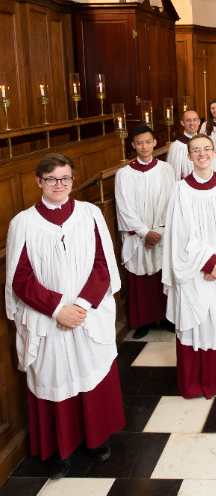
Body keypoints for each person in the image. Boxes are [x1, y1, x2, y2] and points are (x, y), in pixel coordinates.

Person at [5, 153, 125, 479]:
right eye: (51, 179)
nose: (59, 185)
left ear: (72, 180)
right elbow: (21, 278)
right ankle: (62, 450)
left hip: (87, 313)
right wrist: (59, 309)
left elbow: (103, 264)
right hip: (48, 319)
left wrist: (81, 306)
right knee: (55, 378)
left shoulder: (90, 214)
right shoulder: (24, 223)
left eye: (65, 179)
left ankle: (97, 439)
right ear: (39, 182)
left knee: (90, 371)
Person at [163, 133, 216, 399]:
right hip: (195, 271)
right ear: (188, 156)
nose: (202, 153)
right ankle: (197, 380)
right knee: (198, 319)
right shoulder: (180, 190)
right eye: (196, 150)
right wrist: (207, 262)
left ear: (214, 153)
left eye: (206, 148)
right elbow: (178, 235)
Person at [115, 124, 175, 338]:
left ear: (154, 143)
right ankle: (144, 321)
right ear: (133, 145)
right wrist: (144, 232)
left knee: (163, 274)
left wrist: (157, 232)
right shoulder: (123, 174)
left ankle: (168, 317)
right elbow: (124, 207)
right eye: (139, 143)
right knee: (140, 277)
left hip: (160, 234)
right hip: (139, 237)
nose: (144, 146)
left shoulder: (166, 169)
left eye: (148, 142)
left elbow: (170, 201)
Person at [167, 108, 216, 179]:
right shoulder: (177, 146)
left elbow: (214, 167)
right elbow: (173, 174)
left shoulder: (206, 143)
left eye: (195, 119)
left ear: (199, 122)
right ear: (182, 123)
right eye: (188, 120)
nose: (192, 123)